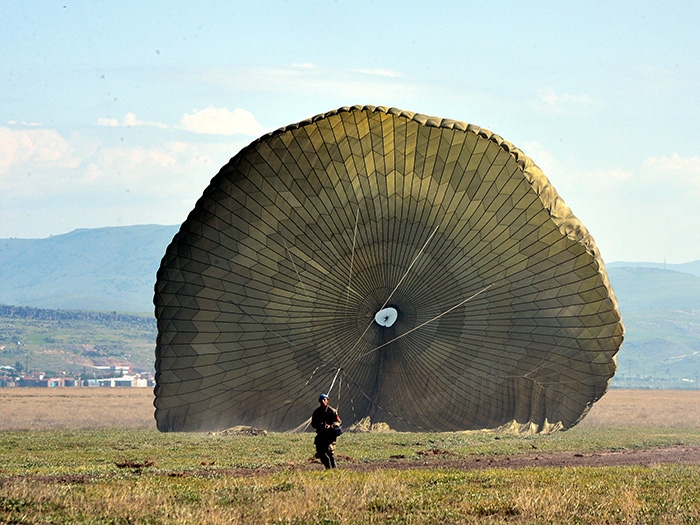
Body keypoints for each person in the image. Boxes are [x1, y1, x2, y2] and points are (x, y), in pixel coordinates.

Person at [311, 393, 342, 469]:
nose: (323, 401)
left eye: (324, 400)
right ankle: (327, 467)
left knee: (329, 450)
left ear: (327, 400)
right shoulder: (316, 412)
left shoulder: (332, 411)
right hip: (321, 434)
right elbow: (313, 423)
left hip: (330, 434)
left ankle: (334, 467)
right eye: (321, 400)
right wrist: (319, 425)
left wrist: (330, 426)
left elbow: (338, 421)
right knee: (320, 451)